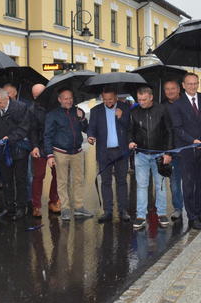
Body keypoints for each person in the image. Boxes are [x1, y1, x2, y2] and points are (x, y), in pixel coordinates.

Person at [169, 73, 201, 230]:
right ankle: (191, 217)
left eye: (195, 83)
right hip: (187, 150)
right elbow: (177, 128)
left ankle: (200, 212)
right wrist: (192, 140)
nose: (193, 86)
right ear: (183, 85)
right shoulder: (177, 104)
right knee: (189, 184)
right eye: (189, 84)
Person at [128, 86, 173, 230]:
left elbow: (169, 132)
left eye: (144, 99)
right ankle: (141, 216)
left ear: (151, 97)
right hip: (141, 154)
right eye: (139, 99)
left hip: (159, 154)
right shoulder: (134, 112)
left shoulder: (162, 110)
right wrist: (130, 141)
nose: (141, 102)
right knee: (141, 186)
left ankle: (161, 214)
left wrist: (168, 153)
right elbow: (130, 131)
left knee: (160, 186)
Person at [44, 89, 93, 221]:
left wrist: (81, 118)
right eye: (65, 98)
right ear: (59, 99)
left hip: (77, 151)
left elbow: (86, 128)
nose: (68, 100)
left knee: (78, 180)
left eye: (70, 98)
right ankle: (65, 209)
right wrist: (49, 155)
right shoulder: (52, 114)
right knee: (62, 182)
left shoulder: (78, 111)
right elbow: (47, 136)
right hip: (60, 152)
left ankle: (78, 207)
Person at [87, 86, 131, 223]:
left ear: (116, 97)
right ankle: (108, 211)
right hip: (104, 152)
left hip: (121, 151)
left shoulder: (125, 108)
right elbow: (91, 128)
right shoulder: (96, 110)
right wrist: (90, 137)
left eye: (110, 99)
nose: (108, 102)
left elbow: (130, 127)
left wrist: (121, 117)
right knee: (105, 182)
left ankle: (123, 210)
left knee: (122, 181)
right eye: (105, 99)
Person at [0, 88, 31, 220]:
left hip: (18, 149)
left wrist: (10, 137)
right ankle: (9, 208)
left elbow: (25, 127)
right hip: (2, 150)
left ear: (7, 98)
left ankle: (21, 208)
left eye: (0, 103)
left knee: (20, 179)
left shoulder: (21, 107)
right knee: (6, 180)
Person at [29, 83, 60, 218]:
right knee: (38, 176)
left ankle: (53, 201)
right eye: (35, 96)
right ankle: (36, 206)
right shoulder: (32, 109)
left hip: (56, 146)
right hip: (40, 146)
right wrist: (34, 146)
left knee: (58, 175)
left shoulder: (57, 106)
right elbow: (32, 130)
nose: (37, 98)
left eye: (39, 95)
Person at [163, 79, 184, 221]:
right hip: (172, 150)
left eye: (173, 88)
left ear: (178, 89)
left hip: (187, 148)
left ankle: (193, 207)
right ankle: (178, 208)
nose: (170, 91)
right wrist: (167, 152)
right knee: (175, 182)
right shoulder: (162, 107)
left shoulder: (186, 103)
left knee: (191, 181)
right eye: (167, 89)